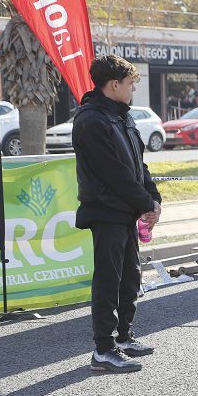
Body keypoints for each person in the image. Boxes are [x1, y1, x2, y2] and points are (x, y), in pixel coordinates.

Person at [73, 55, 162, 374]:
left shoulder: (121, 116)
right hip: (106, 211)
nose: (133, 89)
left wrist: (153, 198)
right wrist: (144, 203)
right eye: (130, 84)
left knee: (130, 276)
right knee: (109, 280)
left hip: (125, 210)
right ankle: (103, 349)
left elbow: (139, 165)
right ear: (113, 85)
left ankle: (123, 338)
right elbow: (114, 173)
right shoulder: (91, 120)